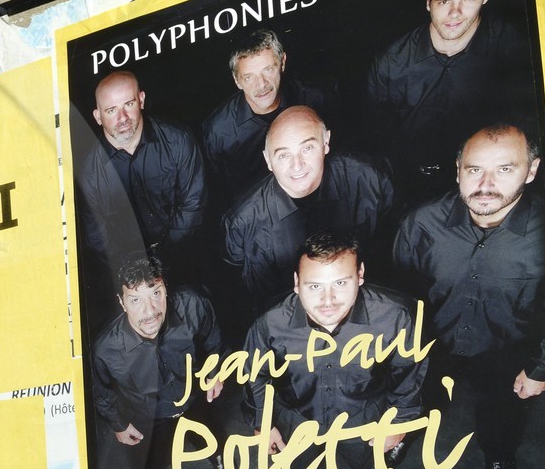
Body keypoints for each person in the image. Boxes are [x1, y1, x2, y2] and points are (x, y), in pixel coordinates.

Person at [393, 123, 545, 469]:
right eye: (475, 169)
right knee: (419, 397)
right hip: (433, 345)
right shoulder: (422, 223)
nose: (485, 184)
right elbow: (397, 294)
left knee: (502, 414)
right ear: (458, 169)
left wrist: (541, 368)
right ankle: (404, 434)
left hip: (506, 351)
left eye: (504, 169)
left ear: (532, 170)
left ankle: (499, 454)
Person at [242, 234, 425, 469]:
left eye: (340, 283)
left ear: (360, 275)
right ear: (296, 282)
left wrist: (399, 422)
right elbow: (255, 375)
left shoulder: (395, 316)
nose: (328, 300)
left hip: (362, 415)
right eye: (314, 286)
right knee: (294, 464)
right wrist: (262, 424)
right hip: (297, 414)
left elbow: (409, 372)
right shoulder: (270, 321)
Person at [364, 0, 534, 202]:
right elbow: (378, 133)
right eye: (444, 1)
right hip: (408, 181)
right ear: (428, 1)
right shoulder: (391, 61)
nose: (455, 13)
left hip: (484, 182)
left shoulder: (514, 49)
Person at [89, 254, 225, 469]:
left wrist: (215, 372)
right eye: (135, 300)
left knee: (210, 434)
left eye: (156, 293)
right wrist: (118, 424)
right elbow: (102, 393)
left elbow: (213, 339)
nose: (150, 311)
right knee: (145, 461)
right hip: (145, 414)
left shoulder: (194, 305)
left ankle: (217, 456)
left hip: (194, 397)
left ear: (166, 289)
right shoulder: (105, 349)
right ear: (122, 302)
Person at [222, 105, 394, 307]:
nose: (297, 165)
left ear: (326, 142)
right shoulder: (243, 220)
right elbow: (240, 288)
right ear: (268, 160)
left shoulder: (370, 180)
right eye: (284, 155)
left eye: (307, 148)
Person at [76, 70, 207, 289]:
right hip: (128, 271)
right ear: (98, 117)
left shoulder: (178, 140)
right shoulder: (88, 172)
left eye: (128, 104)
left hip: (183, 252)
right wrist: (138, 269)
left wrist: (164, 257)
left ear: (142, 100)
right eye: (111, 110)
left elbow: (193, 205)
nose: (122, 118)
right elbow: (97, 236)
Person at [201, 29, 330, 200]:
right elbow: (217, 190)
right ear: (237, 80)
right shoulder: (218, 130)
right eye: (249, 77)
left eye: (268, 69)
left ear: (282, 62)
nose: (261, 84)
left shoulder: (315, 98)